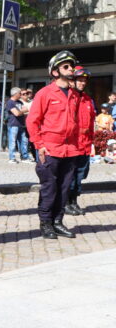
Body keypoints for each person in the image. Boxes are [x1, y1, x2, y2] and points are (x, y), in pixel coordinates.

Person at [26, 50, 83, 239]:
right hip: (50, 149)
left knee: (64, 188)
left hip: (70, 150)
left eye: (71, 66)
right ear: (55, 71)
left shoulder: (75, 95)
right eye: (66, 66)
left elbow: (76, 123)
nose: (70, 69)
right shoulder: (45, 93)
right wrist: (39, 144)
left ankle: (58, 222)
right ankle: (45, 223)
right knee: (50, 188)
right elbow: (32, 121)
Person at [65, 65, 95, 217]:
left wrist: (92, 143)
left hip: (84, 144)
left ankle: (74, 201)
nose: (83, 83)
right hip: (72, 144)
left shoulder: (88, 100)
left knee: (80, 175)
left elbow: (90, 124)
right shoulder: (69, 97)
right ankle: (66, 203)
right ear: (72, 80)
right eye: (80, 80)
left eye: (85, 80)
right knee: (70, 175)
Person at [5, 86, 31, 162]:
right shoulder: (10, 102)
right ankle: (12, 158)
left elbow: (26, 109)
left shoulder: (20, 102)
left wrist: (20, 112)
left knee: (24, 141)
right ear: (15, 94)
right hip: (13, 125)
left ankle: (24, 157)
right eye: (20, 93)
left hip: (21, 124)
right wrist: (21, 111)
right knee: (12, 142)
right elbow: (16, 113)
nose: (21, 95)